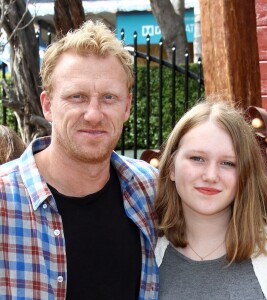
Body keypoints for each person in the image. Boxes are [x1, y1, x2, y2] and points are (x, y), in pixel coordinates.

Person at [0, 21, 158, 300]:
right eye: (77, 97)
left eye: (108, 97)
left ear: (127, 107)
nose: (94, 114)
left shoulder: (150, 190)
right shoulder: (5, 202)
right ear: (48, 106)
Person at [155, 99, 267, 300]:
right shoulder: (148, 252)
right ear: (171, 167)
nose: (211, 175)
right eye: (197, 158)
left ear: (245, 174)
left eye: (227, 163)